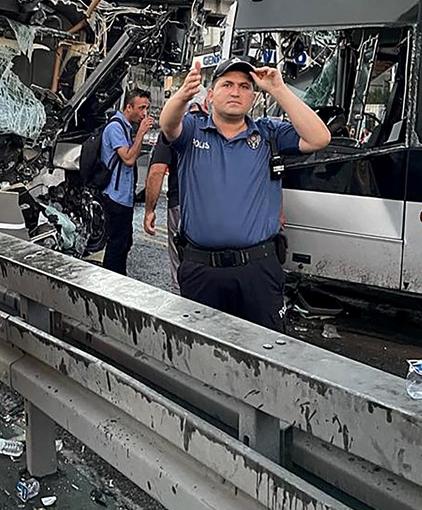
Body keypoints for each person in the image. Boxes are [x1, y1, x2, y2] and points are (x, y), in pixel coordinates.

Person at [159, 58, 330, 331]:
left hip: (258, 270)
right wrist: (183, 94)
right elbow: (168, 125)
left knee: (264, 354)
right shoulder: (192, 129)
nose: (235, 92)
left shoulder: (267, 133)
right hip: (202, 269)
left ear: (253, 96)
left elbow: (319, 138)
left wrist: (279, 89)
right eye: (226, 84)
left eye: (244, 86)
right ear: (211, 95)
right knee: (200, 353)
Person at [144, 99, 206, 294]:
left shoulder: (174, 130)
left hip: (180, 203)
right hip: (212, 206)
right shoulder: (214, 128)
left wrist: (149, 210)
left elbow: (156, 171)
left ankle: (181, 306)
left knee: (179, 260)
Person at [99, 89, 152, 275]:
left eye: (147, 108)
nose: (144, 113)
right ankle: (111, 283)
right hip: (115, 196)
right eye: (141, 108)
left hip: (124, 196)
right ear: (128, 107)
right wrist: (141, 134)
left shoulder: (126, 127)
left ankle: (117, 279)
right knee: (116, 245)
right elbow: (128, 158)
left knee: (125, 241)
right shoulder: (115, 127)